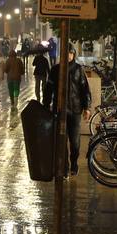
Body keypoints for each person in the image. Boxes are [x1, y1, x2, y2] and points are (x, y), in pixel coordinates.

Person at [44, 48, 92, 176]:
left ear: (73, 55)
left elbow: (85, 89)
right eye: (67, 53)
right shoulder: (55, 70)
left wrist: (87, 107)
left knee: (75, 142)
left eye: (71, 53)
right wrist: (46, 105)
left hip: (75, 110)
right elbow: (48, 89)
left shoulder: (78, 70)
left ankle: (74, 162)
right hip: (59, 110)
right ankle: (64, 167)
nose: (69, 56)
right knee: (61, 140)